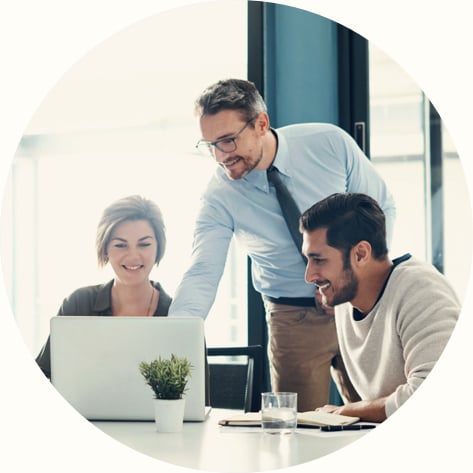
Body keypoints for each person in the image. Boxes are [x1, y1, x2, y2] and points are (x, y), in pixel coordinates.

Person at [169, 78, 396, 411]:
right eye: (210, 145)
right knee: (299, 429)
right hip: (293, 318)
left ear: (261, 123)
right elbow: (203, 269)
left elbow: (381, 209)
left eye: (228, 141)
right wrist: (177, 336)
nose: (221, 156)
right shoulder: (219, 195)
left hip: (360, 304)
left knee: (378, 414)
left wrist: (357, 282)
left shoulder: (329, 144)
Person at [300, 192, 460, 422]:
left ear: (361, 254)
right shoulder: (346, 297)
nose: (309, 275)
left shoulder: (421, 291)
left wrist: (347, 411)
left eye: (319, 260)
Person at [36, 194, 172, 378]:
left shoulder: (178, 314)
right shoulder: (78, 304)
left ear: (158, 247)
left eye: (144, 244)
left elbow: (197, 397)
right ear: (105, 248)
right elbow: (42, 377)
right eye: (120, 245)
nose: (133, 256)